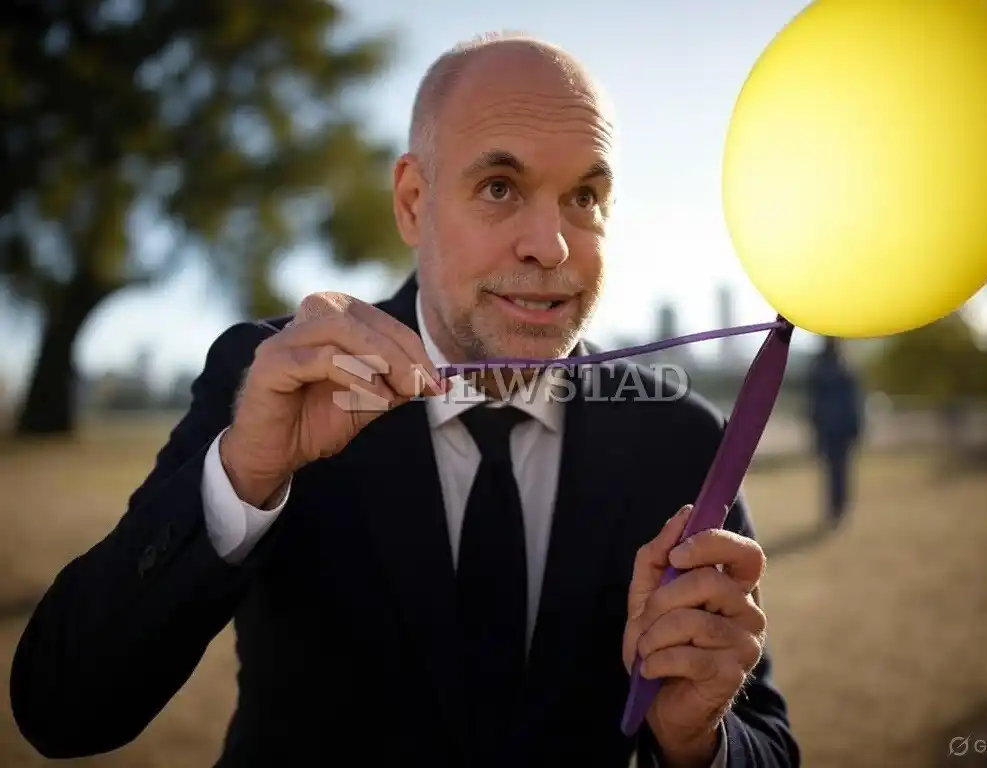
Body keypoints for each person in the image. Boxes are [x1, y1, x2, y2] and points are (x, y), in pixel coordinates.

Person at [10, 33, 800, 768]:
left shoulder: (681, 440)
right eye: (500, 186)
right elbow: (61, 708)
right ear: (413, 202)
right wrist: (245, 472)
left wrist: (701, 740)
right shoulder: (275, 385)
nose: (551, 246)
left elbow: (766, 739)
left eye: (585, 198)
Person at [806, 337, 864, 527]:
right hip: (836, 428)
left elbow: (813, 404)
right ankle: (837, 507)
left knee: (835, 470)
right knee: (838, 470)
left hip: (831, 428)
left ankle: (836, 507)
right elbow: (853, 403)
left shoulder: (820, 370)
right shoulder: (843, 369)